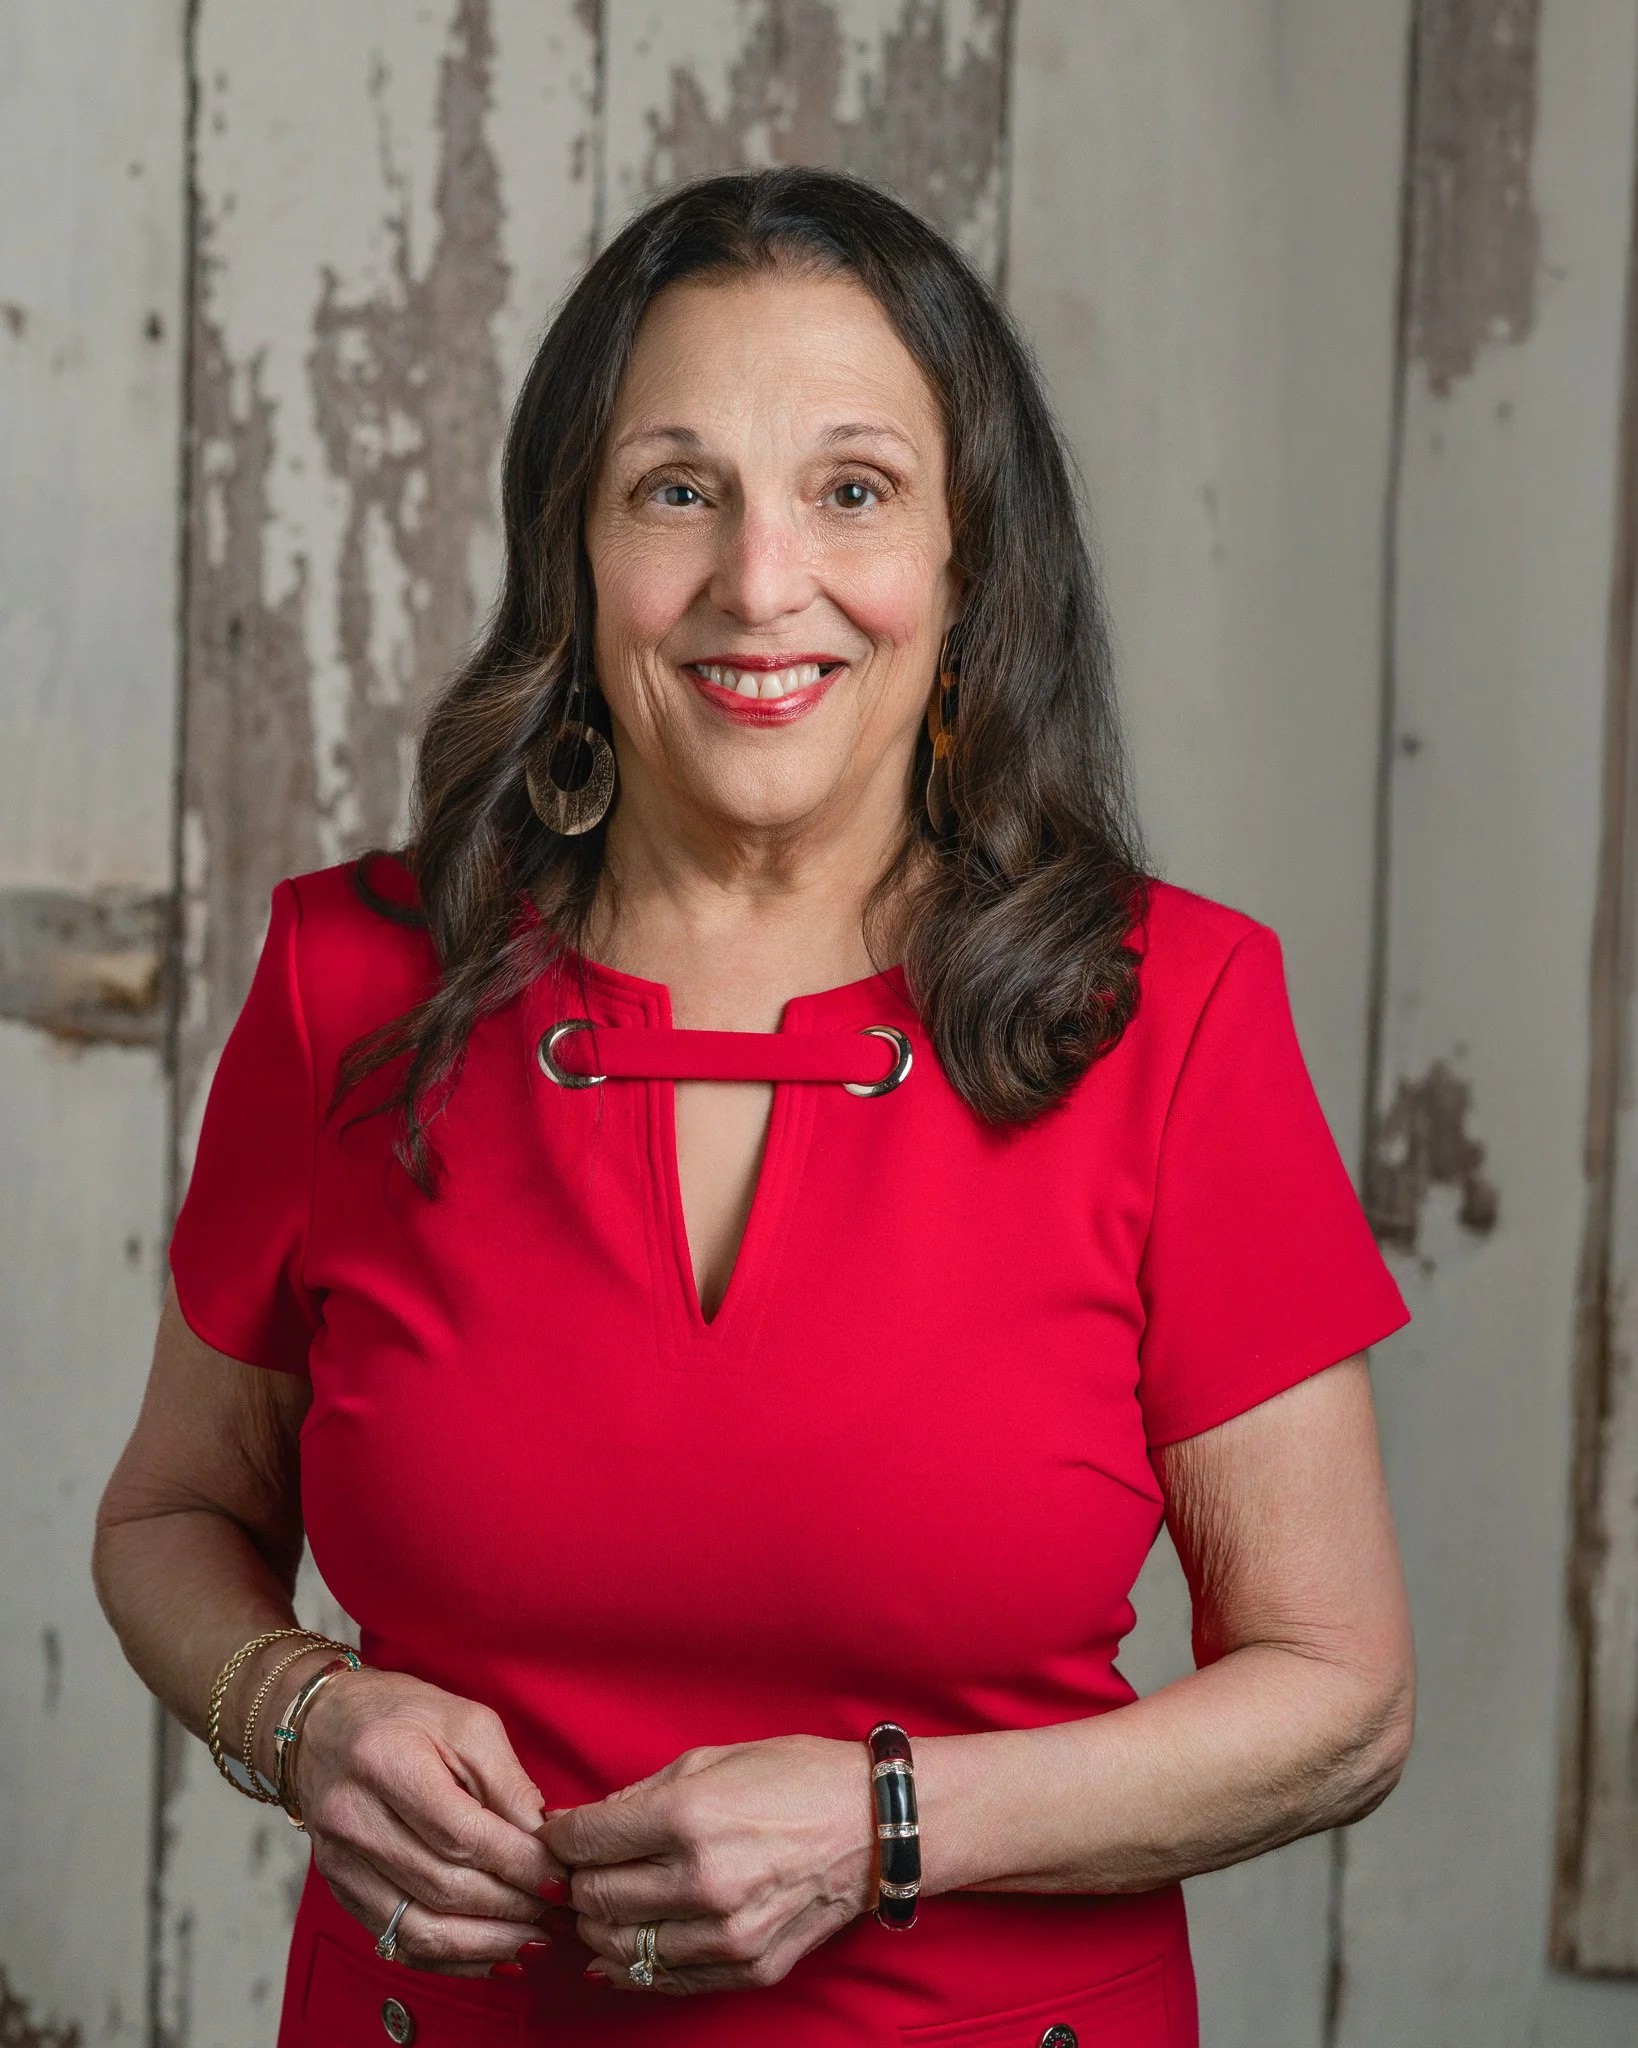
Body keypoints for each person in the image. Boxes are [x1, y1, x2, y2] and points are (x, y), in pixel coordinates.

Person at [94, 167, 1414, 2047]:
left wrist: (889, 1822)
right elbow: (164, 1520)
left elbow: (1339, 1690)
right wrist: (300, 1712)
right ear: (575, 546)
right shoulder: (349, 984)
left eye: (852, 492)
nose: (758, 582)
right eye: (676, 490)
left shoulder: (1173, 1010)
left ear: (966, 571)